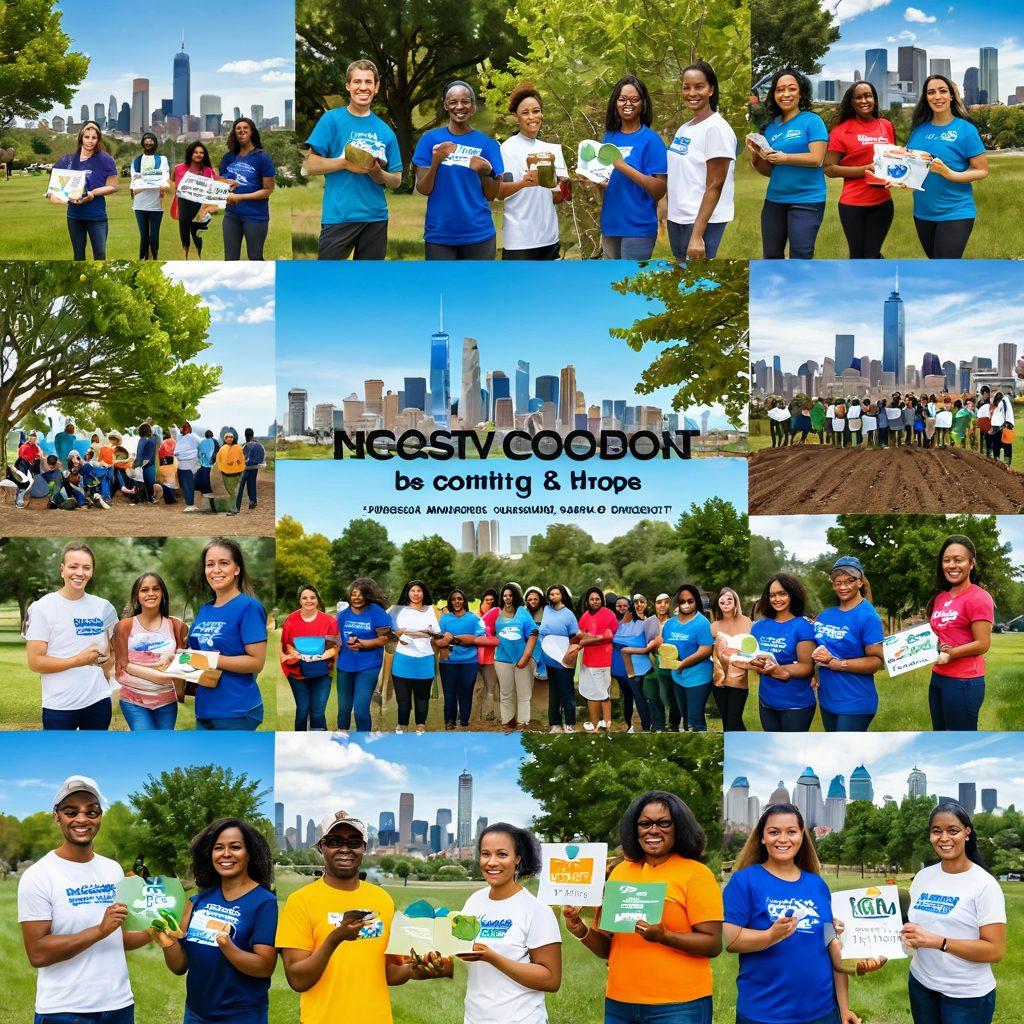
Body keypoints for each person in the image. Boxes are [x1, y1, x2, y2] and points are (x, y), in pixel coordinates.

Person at [564, 790, 722, 1024]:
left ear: (679, 827)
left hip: (679, 1005)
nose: (654, 830)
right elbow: (609, 949)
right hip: (620, 1003)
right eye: (645, 823)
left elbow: (712, 944)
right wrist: (581, 931)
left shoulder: (696, 874)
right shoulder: (620, 872)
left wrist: (664, 936)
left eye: (664, 822)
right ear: (634, 829)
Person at [276, 810, 447, 1024]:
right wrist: (335, 937)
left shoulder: (381, 899)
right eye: (334, 841)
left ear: (364, 848)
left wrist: (416, 969)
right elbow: (298, 979)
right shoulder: (300, 901)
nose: (345, 848)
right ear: (321, 847)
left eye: (354, 842)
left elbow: (388, 972)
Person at [18, 776, 152, 1024]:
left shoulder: (112, 869)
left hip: (119, 1005)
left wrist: (158, 928)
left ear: (100, 816)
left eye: (91, 811)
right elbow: (37, 953)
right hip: (64, 1010)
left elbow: (119, 937)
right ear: (56, 816)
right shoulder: (38, 876)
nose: (82, 819)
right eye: (71, 812)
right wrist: (99, 930)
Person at [724, 803, 856, 1024]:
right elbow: (732, 940)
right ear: (763, 837)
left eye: (791, 832)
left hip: (822, 1013)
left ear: (802, 836)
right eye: (774, 832)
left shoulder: (817, 885)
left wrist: (844, 1008)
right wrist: (770, 936)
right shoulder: (744, 880)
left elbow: (830, 945)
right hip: (764, 1014)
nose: (783, 839)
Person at [902, 802, 1006, 1024]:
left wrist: (939, 942)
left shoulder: (984, 884)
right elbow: (914, 924)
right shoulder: (922, 877)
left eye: (953, 830)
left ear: (967, 833)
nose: (944, 838)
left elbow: (995, 950)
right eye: (936, 831)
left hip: (966, 996)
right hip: (921, 985)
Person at [459, 824, 562, 1023]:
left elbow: (551, 979)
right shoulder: (473, 902)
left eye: (502, 854)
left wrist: (492, 957)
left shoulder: (536, 910)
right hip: (475, 1018)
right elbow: (460, 953)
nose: (492, 862)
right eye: (485, 854)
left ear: (517, 859)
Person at [304, 59, 403, 260]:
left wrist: (379, 174)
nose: (363, 87)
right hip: (339, 216)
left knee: (367, 284)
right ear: (348, 86)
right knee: (327, 280)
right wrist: (345, 163)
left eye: (368, 82)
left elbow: (396, 180)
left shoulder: (385, 131)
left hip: (375, 218)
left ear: (376, 87)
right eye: (357, 82)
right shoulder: (331, 120)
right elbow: (309, 165)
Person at [25, 543, 118, 730]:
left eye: (86, 567)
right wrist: (79, 660)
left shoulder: (104, 607)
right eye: (73, 566)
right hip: (59, 706)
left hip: (98, 702)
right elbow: (35, 662)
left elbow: (114, 650)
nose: (79, 573)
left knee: (95, 757)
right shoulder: (42, 608)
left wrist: (109, 666)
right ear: (62, 570)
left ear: (92, 571)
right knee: (59, 759)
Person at [413, 81, 503, 259]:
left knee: (478, 287)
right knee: (442, 287)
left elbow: (492, 194)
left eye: (465, 101)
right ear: (446, 105)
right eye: (453, 102)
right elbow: (423, 189)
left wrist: (487, 172)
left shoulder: (488, 145)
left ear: (473, 106)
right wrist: (437, 160)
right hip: (440, 235)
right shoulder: (430, 140)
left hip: (479, 235)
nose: (459, 107)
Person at [187, 539, 268, 730]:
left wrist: (210, 659)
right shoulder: (205, 610)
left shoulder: (249, 607)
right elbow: (195, 654)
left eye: (224, 563)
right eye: (210, 564)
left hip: (236, 710)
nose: (216, 570)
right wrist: (176, 658)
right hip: (204, 709)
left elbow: (257, 662)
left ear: (237, 569)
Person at [748, 69, 828, 259]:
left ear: (801, 93)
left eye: (791, 89)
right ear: (774, 94)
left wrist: (785, 157)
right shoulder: (770, 127)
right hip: (775, 201)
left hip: (807, 200)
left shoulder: (812, 121)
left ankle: (799, 289)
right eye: (780, 90)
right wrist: (757, 156)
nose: (785, 94)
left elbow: (817, 159)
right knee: (771, 256)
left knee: (801, 255)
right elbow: (771, 171)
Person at [906, 75, 987, 259]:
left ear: (951, 96)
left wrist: (948, 173)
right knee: (935, 268)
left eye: (942, 91)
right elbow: (909, 165)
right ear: (926, 98)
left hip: (955, 211)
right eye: (931, 92)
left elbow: (982, 170)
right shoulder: (919, 130)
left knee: (945, 268)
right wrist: (898, 180)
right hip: (922, 212)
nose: (937, 96)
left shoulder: (966, 130)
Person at [592, 76, 668, 260]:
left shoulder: (652, 140)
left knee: (630, 284)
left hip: (638, 228)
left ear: (643, 104)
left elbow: (659, 190)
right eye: (622, 99)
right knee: (611, 283)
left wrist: (623, 166)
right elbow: (611, 183)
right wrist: (596, 181)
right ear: (615, 103)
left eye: (634, 99)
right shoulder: (609, 138)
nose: (628, 104)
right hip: (611, 225)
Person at [666, 60, 736, 259]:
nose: (691, 93)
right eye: (686, 87)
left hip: (702, 221)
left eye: (699, 87)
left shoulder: (716, 128)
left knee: (696, 281)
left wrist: (697, 235)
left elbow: (716, 183)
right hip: (678, 217)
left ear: (711, 89)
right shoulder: (685, 128)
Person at [809, 556, 885, 733]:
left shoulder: (867, 616)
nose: (843, 587)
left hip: (854, 701)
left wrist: (839, 664)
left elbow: (876, 661)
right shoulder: (826, 615)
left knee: (847, 755)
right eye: (838, 582)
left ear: (860, 582)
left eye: (850, 581)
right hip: (828, 699)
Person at [927, 535, 993, 731]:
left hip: (964, 681)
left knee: (959, 736)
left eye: (959, 560)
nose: (952, 565)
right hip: (938, 677)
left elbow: (983, 643)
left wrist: (951, 653)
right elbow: (938, 635)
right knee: (939, 735)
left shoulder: (979, 597)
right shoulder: (940, 598)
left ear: (971, 563)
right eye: (946, 560)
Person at [824, 82, 896, 259]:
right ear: (852, 102)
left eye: (869, 96)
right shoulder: (841, 131)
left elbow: (891, 158)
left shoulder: (885, 125)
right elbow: (829, 168)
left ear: (875, 100)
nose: (865, 100)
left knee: (871, 254)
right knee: (857, 256)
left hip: (883, 203)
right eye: (859, 97)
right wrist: (865, 170)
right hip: (853, 205)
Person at [498, 84, 569, 260]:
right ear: (516, 116)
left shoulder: (551, 150)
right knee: (518, 287)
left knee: (548, 287)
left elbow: (557, 196)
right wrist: (524, 182)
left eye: (536, 111)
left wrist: (569, 186)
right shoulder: (507, 149)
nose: (532, 117)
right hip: (519, 240)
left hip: (549, 238)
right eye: (525, 112)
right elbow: (500, 192)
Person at [112, 571, 188, 731]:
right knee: (146, 743)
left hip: (167, 702)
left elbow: (181, 664)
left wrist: (179, 693)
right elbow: (122, 665)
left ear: (162, 593)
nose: (151, 593)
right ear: (137, 596)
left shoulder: (176, 626)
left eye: (156, 589)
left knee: (164, 747)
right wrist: (162, 676)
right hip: (133, 701)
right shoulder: (124, 627)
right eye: (144, 590)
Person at [749, 573, 817, 732]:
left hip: (796, 704)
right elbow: (753, 658)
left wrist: (779, 669)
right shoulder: (758, 627)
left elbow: (807, 667)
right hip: (766, 701)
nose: (776, 599)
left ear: (792, 595)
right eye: (772, 595)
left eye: (782, 593)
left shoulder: (803, 626)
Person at [49, 122, 118, 260]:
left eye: (94, 137)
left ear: (98, 139)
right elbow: (54, 189)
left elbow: (113, 186)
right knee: (78, 256)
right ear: (81, 137)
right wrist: (57, 197)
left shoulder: (105, 159)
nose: (90, 141)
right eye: (87, 137)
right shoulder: (67, 160)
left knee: (100, 255)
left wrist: (93, 193)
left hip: (97, 216)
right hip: (74, 216)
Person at [280, 584, 339, 731]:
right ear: (300, 600)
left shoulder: (329, 621)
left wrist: (317, 657)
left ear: (317, 600)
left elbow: (334, 647)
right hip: (297, 672)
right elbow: (287, 645)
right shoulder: (291, 620)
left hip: (322, 672)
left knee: (317, 712)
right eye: (304, 598)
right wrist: (299, 655)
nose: (309, 601)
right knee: (302, 711)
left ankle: (319, 744)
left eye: (312, 597)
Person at [336, 577, 392, 733]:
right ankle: (342, 738)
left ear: (368, 595)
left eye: (361, 594)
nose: (357, 597)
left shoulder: (377, 612)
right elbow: (335, 640)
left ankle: (364, 741)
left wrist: (363, 643)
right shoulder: (342, 616)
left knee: (360, 711)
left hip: (368, 666)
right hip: (344, 666)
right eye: (354, 594)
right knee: (343, 709)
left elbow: (384, 638)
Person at [220, 118, 276, 261]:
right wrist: (226, 183)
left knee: (255, 257)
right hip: (231, 216)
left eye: (246, 128)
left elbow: (268, 190)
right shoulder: (228, 158)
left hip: (255, 216)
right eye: (238, 128)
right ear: (234, 133)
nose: (242, 130)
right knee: (230, 259)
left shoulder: (262, 157)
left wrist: (240, 197)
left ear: (251, 132)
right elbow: (221, 182)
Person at [660, 585, 714, 733]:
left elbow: (706, 650)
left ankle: (703, 752)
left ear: (696, 601)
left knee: (695, 720)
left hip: (698, 677)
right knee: (685, 717)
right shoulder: (669, 624)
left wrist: (683, 663)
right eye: (682, 601)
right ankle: (688, 750)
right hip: (678, 676)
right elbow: (666, 647)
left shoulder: (702, 623)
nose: (686, 604)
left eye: (690, 601)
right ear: (677, 602)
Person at [391, 580, 441, 733]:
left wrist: (409, 631)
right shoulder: (397, 611)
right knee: (403, 701)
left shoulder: (432, 610)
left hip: (424, 660)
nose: (415, 594)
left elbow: (435, 633)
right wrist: (400, 632)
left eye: (419, 590)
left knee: (422, 699)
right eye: (412, 590)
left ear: (423, 593)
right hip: (402, 659)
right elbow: (391, 632)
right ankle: (402, 728)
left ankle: (421, 728)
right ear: (407, 593)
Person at [489, 583, 538, 730]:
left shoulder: (522, 612)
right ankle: (507, 720)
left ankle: (523, 721)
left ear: (515, 596)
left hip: (522, 659)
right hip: (502, 659)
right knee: (505, 691)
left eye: (510, 595)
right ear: (502, 597)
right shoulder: (495, 613)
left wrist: (526, 656)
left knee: (524, 691)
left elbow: (533, 633)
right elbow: (482, 626)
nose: (507, 598)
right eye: (505, 595)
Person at [435, 588, 485, 730]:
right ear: (450, 602)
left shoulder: (474, 618)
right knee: (449, 694)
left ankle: (464, 722)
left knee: (465, 693)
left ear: (464, 601)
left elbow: (478, 638)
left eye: (460, 599)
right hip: (448, 662)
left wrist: (455, 638)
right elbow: (438, 639)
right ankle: (449, 722)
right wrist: (445, 640)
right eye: (454, 599)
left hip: (469, 662)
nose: (457, 601)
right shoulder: (445, 619)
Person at [536, 584, 578, 733]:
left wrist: (570, 655)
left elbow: (575, 636)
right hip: (548, 656)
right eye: (551, 594)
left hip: (564, 656)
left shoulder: (568, 614)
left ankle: (570, 724)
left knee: (566, 692)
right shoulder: (546, 610)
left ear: (563, 596)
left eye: (556, 594)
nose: (553, 597)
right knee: (553, 692)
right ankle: (554, 724)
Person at [711, 587, 753, 731]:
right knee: (727, 723)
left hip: (739, 681)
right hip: (719, 682)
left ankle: (748, 749)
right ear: (718, 603)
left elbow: (751, 650)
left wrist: (734, 651)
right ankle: (738, 750)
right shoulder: (714, 626)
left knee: (733, 721)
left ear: (736, 602)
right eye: (722, 598)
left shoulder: (746, 622)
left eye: (730, 598)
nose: (726, 601)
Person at [576, 587, 617, 731]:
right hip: (587, 660)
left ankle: (607, 725)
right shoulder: (585, 616)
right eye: (592, 599)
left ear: (602, 600)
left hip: (603, 660)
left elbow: (608, 636)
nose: (594, 601)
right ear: (587, 601)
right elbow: (580, 636)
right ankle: (594, 725)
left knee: (603, 693)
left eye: (597, 599)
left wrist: (587, 641)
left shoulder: (609, 615)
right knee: (590, 694)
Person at [611, 596, 653, 733]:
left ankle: (646, 726)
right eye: (619, 606)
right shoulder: (619, 624)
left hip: (637, 665)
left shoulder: (644, 623)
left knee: (638, 694)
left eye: (625, 605)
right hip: (619, 666)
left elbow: (647, 644)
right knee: (627, 696)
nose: (622, 609)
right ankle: (629, 725)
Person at [172, 141, 218, 259]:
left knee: (197, 237)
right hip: (184, 207)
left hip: (200, 208)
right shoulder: (179, 169)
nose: (199, 154)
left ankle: (199, 257)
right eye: (196, 152)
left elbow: (216, 185)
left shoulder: (208, 171)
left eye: (201, 152)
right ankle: (185, 258)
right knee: (185, 237)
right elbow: (174, 184)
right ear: (190, 154)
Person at [129, 132, 170, 259]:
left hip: (156, 205)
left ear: (155, 143)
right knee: (144, 236)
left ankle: (154, 258)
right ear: (142, 143)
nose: (148, 144)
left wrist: (154, 183)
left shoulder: (162, 159)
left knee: (154, 236)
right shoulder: (136, 161)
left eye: (151, 141)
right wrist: (153, 183)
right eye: (146, 141)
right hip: (139, 205)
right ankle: (142, 259)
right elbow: (135, 182)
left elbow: (166, 179)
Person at [475, 588, 501, 723]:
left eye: (492, 601)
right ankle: (474, 716)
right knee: (476, 688)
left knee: (491, 687)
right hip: (474, 657)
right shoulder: (474, 616)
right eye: (487, 600)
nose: (489, 603)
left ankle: (490, 714)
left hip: (491, 657)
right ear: (482, 602)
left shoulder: (500, 617)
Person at [229, 428, 264, 516]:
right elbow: (262, 458)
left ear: (245, 436)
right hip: (255, 468)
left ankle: (236, 508)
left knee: (240, 488)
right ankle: (253, 501)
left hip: (246, 468)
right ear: (253, 434)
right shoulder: (259, 445)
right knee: (251, 484)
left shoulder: (245, 446)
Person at [174, 422, 201, 513]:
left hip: (187, 464)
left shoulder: (189, 437)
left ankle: (190, 504)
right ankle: (190, 504)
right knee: (188, 485)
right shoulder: (184, 437)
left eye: (182, 428)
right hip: (187, 463)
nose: (181, 429)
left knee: (187, 485)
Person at [216, 431, 245, 506]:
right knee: (229, 489)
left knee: (232, 489)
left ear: (234, 438)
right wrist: (221, 468)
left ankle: (233, 506)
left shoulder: (238, 448)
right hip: (225, 473)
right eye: (227, 437)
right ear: (224, 439)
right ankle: (233, 505)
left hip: (236, 472)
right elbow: (218, 460)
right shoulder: (222, 449)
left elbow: (241, 459)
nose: (229, 438)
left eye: (231, 437)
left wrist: (237, 462)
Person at [133, 422, 157, 504]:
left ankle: (146, 498)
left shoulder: (143, 440)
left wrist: (136, 464)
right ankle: (150, 498)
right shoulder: (153, 440)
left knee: (145, 483)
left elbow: (140, 455)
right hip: (151, 464)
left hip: (145, 465)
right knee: (150, 483)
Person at [989, 391, 1013, 466]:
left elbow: (1007, 412)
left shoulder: (1004, 401)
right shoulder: (999, 405)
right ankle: (999, 461)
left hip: (1004, 426)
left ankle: (1006, 464)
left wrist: (1006, 424)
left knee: (1006, 445)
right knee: (998, 445)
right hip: (999, 427)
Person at [196, 429, 218, 512]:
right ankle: (214, 507)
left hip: (203, 468)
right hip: (212, 468)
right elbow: (218, 453)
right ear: (212, 435)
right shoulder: (214, 441)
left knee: (204, 487)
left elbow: (199, 455)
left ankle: (203, 506)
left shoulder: (201, 443)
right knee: (213, 487)